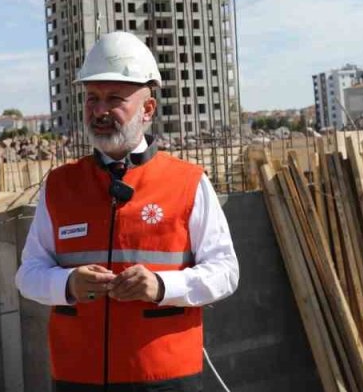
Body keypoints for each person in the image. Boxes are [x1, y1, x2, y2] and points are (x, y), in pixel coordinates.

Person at [15, 32, 239, 391]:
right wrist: (68, 283)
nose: (99, 111)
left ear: (147, 109)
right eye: (92, 99)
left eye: (114, 99)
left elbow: (226, 271)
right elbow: (28, 275)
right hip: (78, 375)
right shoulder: (59, 185)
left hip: (165, 376)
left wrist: (162, 285)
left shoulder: (187, 182)